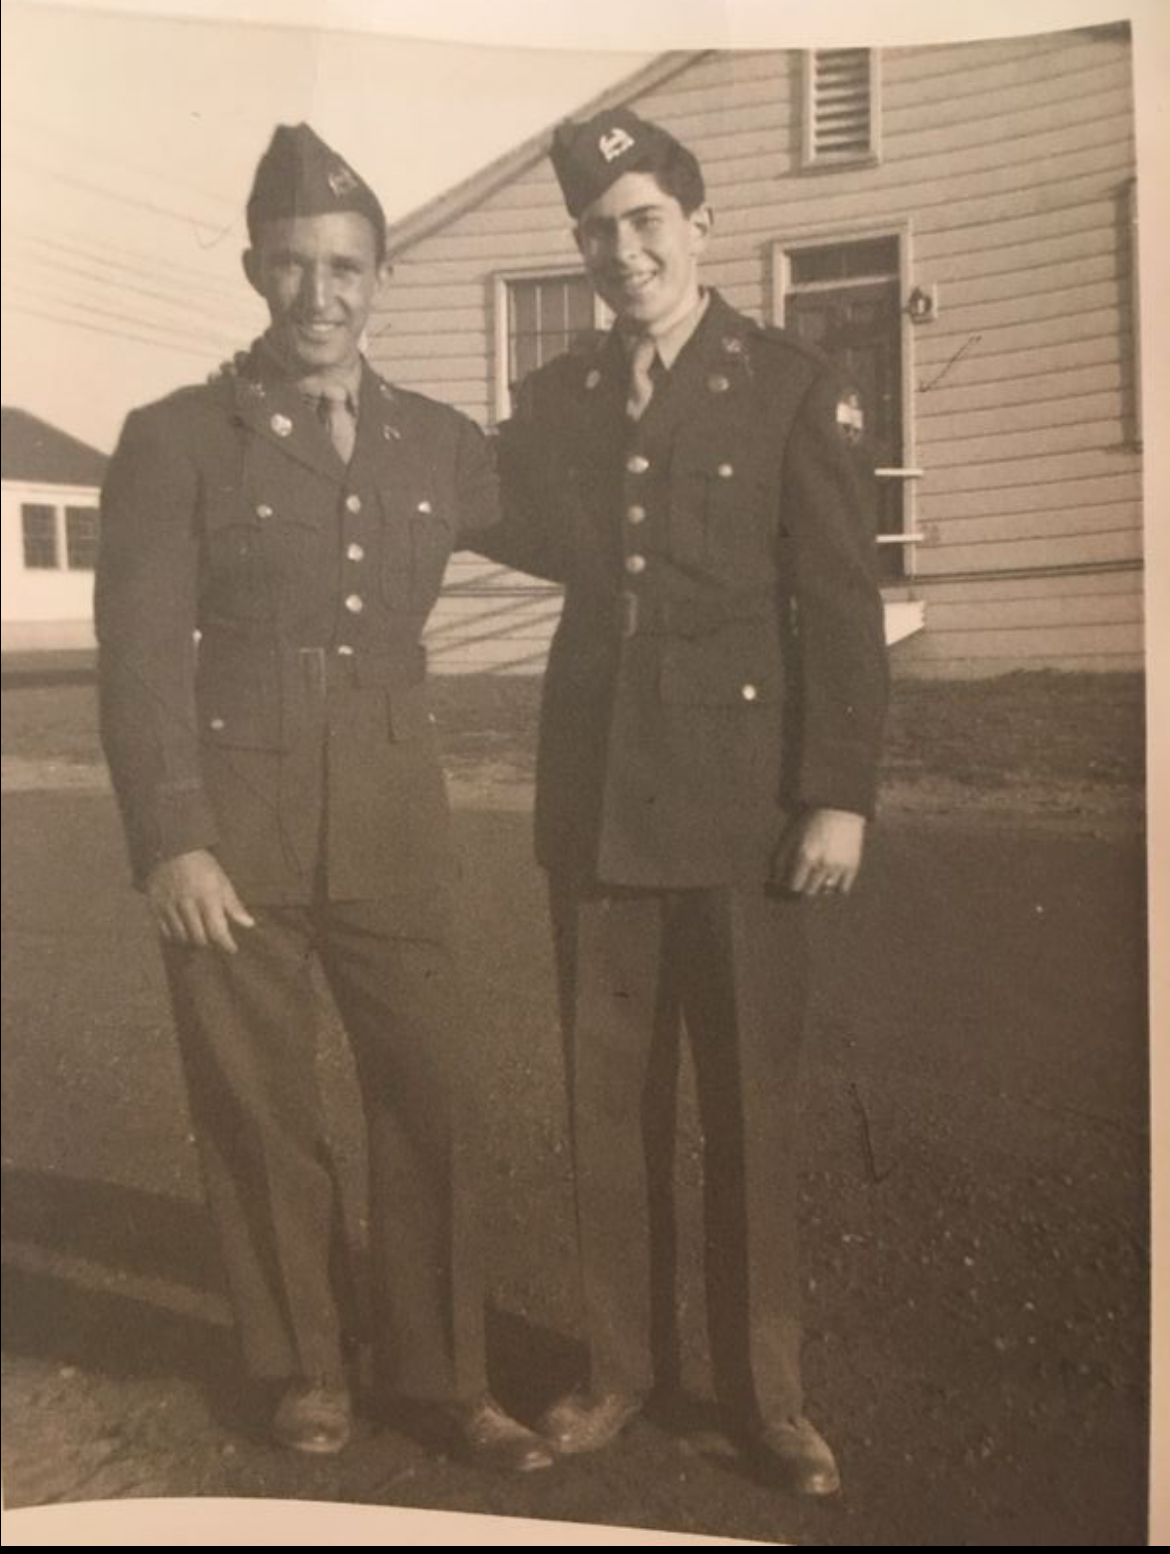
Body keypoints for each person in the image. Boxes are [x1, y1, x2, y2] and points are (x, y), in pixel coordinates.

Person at [95, 123, 552, 1473]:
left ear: (381, 276)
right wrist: (171, 836)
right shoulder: (174, 437)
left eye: (345, 266)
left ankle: (442, 1371)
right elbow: (136, 657)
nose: (321, 293)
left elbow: (583, 530)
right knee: (257, 1103)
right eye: (292, 266)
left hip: (395, 823)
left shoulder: (438, 442)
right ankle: (301, 1361)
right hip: (233, 826)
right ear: (254, 270)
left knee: (433, 1093)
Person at [491, 107, 889, 1495]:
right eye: (596, 232)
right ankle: (615, 1371)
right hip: (596, 804)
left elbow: (839, 603)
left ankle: (766, 1394)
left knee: (751, 1109)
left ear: (700, 224)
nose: (621, 251)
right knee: (608, 1103)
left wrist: (834, 792)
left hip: (743, 815)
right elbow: (476, 507)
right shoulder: (558, 403)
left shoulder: (784, 382)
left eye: (645, 220)